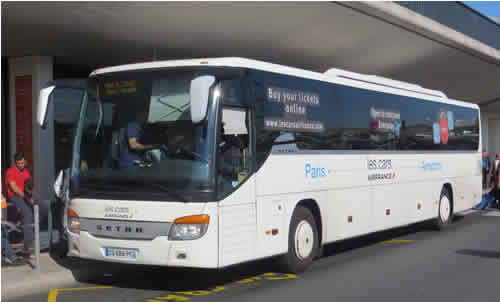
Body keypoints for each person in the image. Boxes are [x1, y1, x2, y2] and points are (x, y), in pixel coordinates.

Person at [5, 152, 36, 256]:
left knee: (42, 207)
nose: (21, 165)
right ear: (15, 163)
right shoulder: (10, 172)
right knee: (27, 214)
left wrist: (30, 194)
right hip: (14, 196)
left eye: (22, 163)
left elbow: (28, 186)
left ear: (25, 162)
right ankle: (27, 246)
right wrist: (27, 198)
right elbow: (14, 189)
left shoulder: (26, 172)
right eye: (18, 163)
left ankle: (29, 229)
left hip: (23, 195)